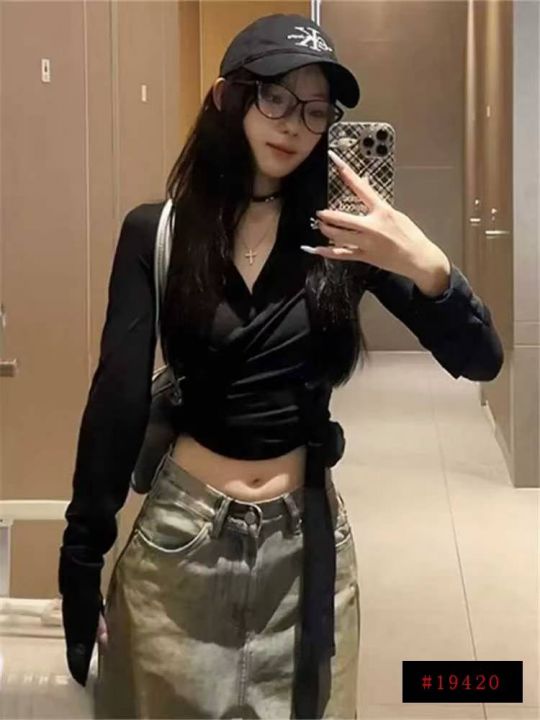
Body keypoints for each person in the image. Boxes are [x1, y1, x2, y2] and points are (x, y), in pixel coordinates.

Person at [58, 12, 504, 720]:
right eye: (275, 97)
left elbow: (481, 359)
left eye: (316, 109)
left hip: (307, 548)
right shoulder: (159, 232)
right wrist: (81, 559)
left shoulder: (345, 240)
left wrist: (426, 265)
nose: (294, 125)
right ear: (226, 98)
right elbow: (115, 400)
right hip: (180, 547)